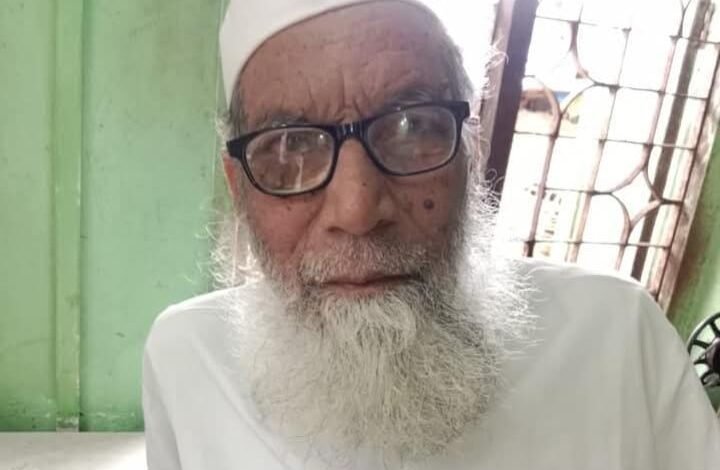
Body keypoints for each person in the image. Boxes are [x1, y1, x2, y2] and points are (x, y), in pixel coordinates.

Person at [141, 0, 720, 468]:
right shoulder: (187, 359)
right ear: (238, 187)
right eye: (291, 146)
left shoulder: (618, 336)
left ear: (468, 150)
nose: (357, 209)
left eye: (411, 127)